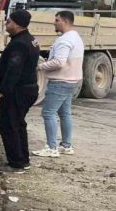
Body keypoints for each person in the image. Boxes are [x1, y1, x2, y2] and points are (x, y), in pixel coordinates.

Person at [0, 9, 40, 173]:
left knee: (9, 126)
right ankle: (22, 160)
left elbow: (14, 70)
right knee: (18, 124)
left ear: (18, 24)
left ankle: (16, 163)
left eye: (9, 21)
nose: (6, 23)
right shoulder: (30, 39)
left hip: (18, 92)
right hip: (27, 89)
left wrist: (1, 90)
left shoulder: (19, 43)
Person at [33, 10, 84, 158]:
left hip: (60, 81)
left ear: (65, 21)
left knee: (48, 113)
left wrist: (40, 66)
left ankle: (51, 147)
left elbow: (59, 62)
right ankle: (66, 146)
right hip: (72, 80)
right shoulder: (76, 37)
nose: (54, 23)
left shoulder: (64, 40)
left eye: (57, 20)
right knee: (65, 113)